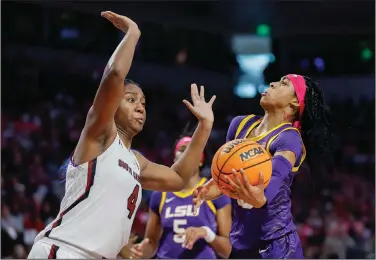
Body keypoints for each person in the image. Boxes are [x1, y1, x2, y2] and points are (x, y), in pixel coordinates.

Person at [28, 11, 216, 259]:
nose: (140, 106)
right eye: (131, 100)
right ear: (113, 105)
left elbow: (179, 178)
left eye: (144, 103)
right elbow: (114, 75)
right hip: (64, 250)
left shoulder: (136, 162)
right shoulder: (100, 135)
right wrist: (133, 33)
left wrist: (204, 126)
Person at [193, 74, 333, 259]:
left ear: (294, 103)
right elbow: (227, 176)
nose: (273, 83)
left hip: (277, 245)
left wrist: (260, 197)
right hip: (241, 242)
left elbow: (275, 179)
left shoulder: (289, 138)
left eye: (284, 84)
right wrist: (212, 186)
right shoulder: (240, 124)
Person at [121, 133, 232, 259]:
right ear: (174, 158)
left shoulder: (214, 192)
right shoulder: (160, 194)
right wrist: (140, 252)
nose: (186, 153)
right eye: (182, 149)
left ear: (201, 160)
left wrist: (206, 233)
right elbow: (151, 242)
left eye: (191, 148)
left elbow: (228, 250)